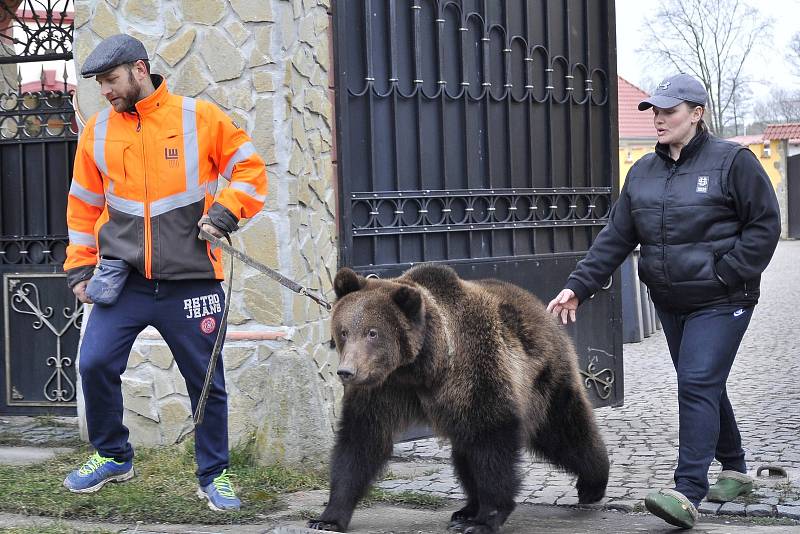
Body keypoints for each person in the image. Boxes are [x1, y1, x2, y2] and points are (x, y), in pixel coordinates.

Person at [546, 73, 780, 529]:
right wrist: (579, 285)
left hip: (724, 299)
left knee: (695, 381)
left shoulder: (733, 162)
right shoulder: (643, 173)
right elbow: (615, 238)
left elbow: (764, 227)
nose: (658, 118)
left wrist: (725, 273)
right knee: (704, 382)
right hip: (670, 302)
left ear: (697, 113)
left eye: (669, 110)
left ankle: (687, 491)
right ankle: (734, 468)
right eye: (654, 110)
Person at [63, 34, 267, 512]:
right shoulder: (95, 131)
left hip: (192, 276)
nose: (105, 92)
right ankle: (113, 455)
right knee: (93, 363)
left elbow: (251, 171)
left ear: (139, 69)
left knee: (206, 381)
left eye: (111, 80)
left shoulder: (199, 118)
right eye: (98, 84)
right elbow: (83, 206)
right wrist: (79, 268)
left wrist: (225, 213)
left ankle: (213, 475)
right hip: (123, 278)